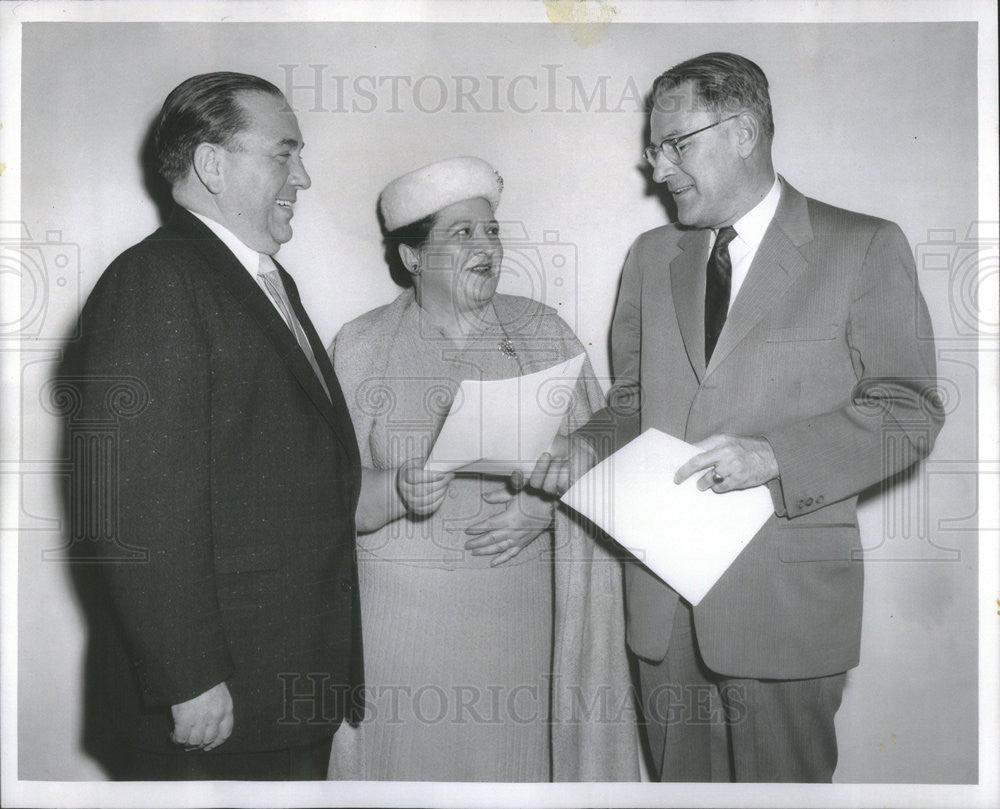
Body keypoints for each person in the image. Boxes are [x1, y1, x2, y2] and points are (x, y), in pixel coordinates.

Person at [527, 53, 943, 782]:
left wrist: (777, 454)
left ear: (744, 131)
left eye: (675, 144)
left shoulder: (864, 246)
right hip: (661, 605)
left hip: (783, 605)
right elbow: (631, 397)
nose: (658, 168)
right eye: (654, 149)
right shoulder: (651, 256)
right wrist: (583, 448)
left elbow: (909, 409)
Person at [61, 72, 442, 780]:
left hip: (276, 690)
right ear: (212, 163)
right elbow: (138, 506)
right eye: (283, 153)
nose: (303, 174)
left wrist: (384, 489)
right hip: (218, 701)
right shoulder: (157, 282)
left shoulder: (259, 279)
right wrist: (187, 677)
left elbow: (267, 478)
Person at [326, 157, 638, 781]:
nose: (486, 247)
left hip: (517, 620)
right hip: (399, 631)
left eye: (491, 231)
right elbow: (327, 498)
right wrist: (399, 489)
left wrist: (546, 505)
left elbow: (608, 454)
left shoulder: (543, 331)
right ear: (413, 257)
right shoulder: (360, 345)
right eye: (462, 233)